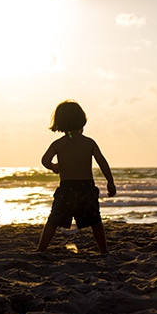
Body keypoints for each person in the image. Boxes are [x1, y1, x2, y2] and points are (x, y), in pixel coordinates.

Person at [36, 100, 116, 253]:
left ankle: (41, 249)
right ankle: (104, 250)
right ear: (81, 120)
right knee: (95, 221)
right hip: (86, 188)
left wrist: (54, 167)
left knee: (53, 220)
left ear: (59, 122)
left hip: (66, 188)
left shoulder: (58, 144)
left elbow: (45, 160)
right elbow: (102, 162)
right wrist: (110, 182)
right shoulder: (89, 143)